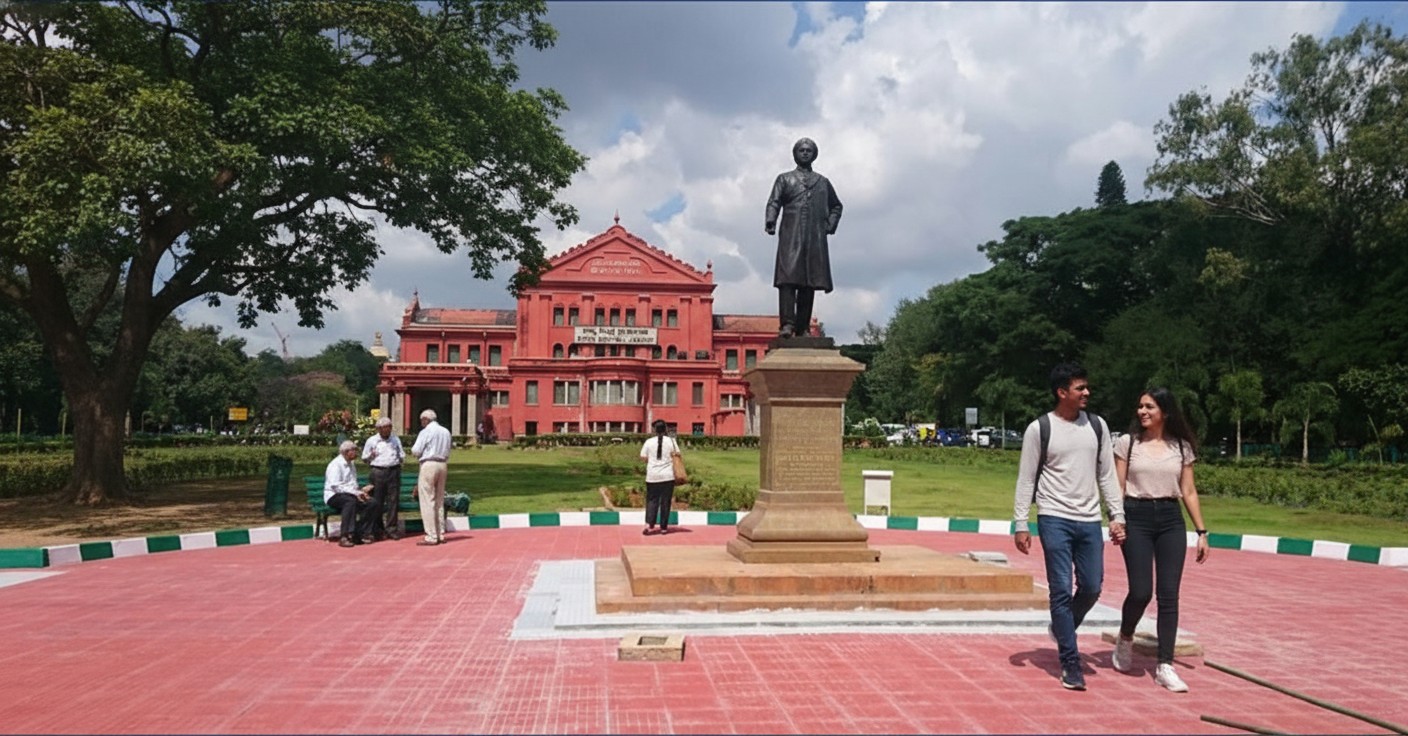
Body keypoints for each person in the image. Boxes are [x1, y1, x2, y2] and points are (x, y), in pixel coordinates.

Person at [1013, 362, 1126, 691]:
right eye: (1080, 388)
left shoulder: (1097, 426)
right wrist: (1022, 523)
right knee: (1060, 589)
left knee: (1091, 586)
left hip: (1089, 519)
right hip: (1054, 518)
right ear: (1062, 392)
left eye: (1086, 387)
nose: (1087, 392)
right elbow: (1026, 478)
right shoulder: (1040, 429)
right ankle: (1070, 661)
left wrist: (1116, 515)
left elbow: (1106, 474)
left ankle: (1063, 627)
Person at [1111, 388, 1211, 693]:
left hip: (1170, 519)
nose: (1142, 411)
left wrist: (1201, 532)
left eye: (1149, 407)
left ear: (1164, 412)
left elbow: (1189, 491)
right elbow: (1116, 485)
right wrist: (1116, 519)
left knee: (1169, 595)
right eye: (1140, 406)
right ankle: (1125, 636)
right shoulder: (1128, 444)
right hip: (1136, 516)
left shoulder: (1181, 447)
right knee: (1141, 591)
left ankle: (1165, 666)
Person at [765, 137, 843, 338]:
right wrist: (771, 220)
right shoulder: (784, 179)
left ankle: (803, 327)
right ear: (795, 154)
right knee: (788, 280)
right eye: (802, 150)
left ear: (814, 154)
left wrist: (829, 225)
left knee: (809, 283)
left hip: (814, 239)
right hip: (791, 237)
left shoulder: (822, 182)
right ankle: (787, 325)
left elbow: (836, 206)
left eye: (809, 150)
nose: (805, 153)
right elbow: (774, 202)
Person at [324, 440, 379, 548]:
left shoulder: (351, 465)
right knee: (350, 501)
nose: (356, 453)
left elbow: (352, 484)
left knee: (372, 503)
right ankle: (345, 535)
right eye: (353, 450)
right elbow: (335, 486)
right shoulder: (335, 465)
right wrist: (355, 493)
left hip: (350, 494)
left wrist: (361, 492)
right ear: (346, 452)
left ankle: (361, 532)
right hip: (334, 495)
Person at [410, 408, 452, 546]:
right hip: (443, 464)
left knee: (427, 499)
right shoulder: (446, 431)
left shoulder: (425, 431)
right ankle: (440, 533)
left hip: (429, 464)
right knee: (439, 500)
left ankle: (431, 535)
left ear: (425, 419)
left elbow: (416, 450)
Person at [362, 416, 405, 541]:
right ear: (379, 429)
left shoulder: (395, 439)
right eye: (384, 428)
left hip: (393, 470)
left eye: (389, 428)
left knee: (393, 501)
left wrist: (401, 458)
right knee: (377, 501)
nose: (387, 431)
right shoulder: (372, 441)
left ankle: (391, 528)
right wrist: (371, 455)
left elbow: (401, 453)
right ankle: (378, 528)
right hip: (378, 471)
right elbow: (364, 458)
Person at [639, 419, 681, 535]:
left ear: (654, 430)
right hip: (668, 476)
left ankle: (650, 525)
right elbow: (678, 454)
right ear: (666, 429)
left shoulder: (648, 442)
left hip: (652, 476)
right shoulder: (672, 441)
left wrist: (652, 460)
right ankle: (663, 527)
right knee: (665, 502)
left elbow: (643, 456)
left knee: (652, 501)